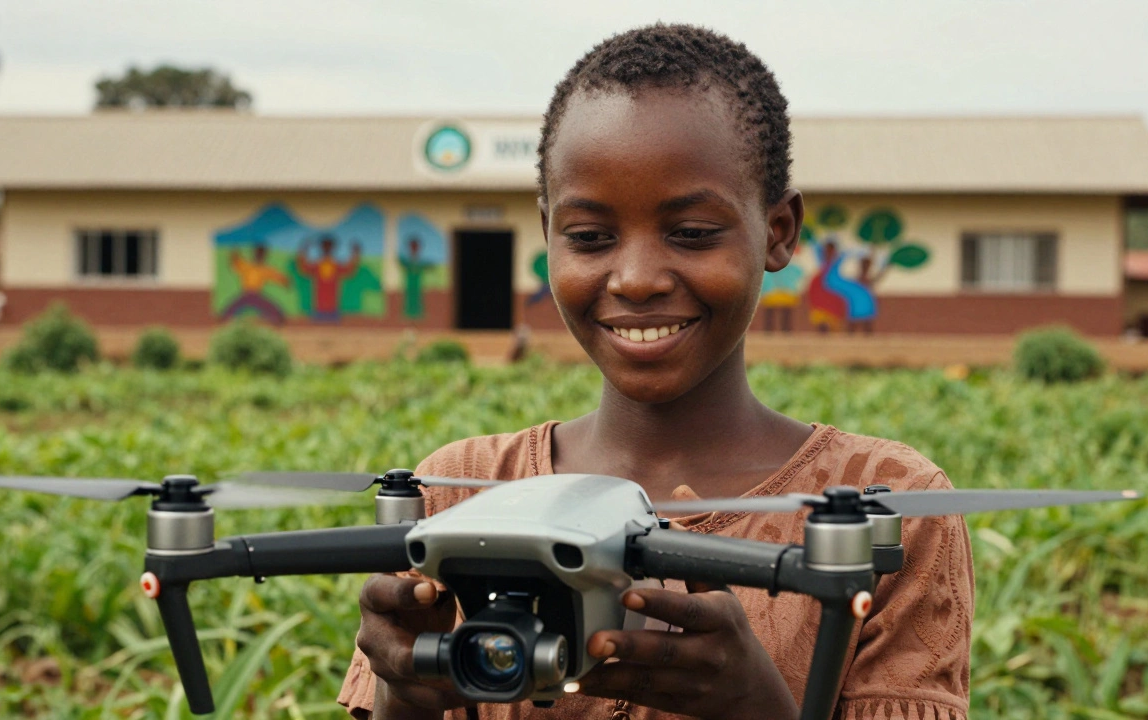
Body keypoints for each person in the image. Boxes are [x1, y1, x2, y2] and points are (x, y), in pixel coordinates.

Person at [341, 24, 973, 720]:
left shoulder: (888, 511)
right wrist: (405, 689)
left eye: (693, 233)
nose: (636, 279)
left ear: (780, 232)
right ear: (548, 232)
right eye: (589, 237)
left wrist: (754, 708)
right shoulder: (458, 495)